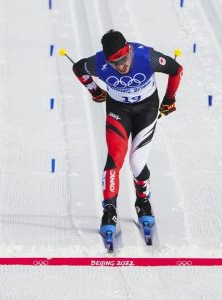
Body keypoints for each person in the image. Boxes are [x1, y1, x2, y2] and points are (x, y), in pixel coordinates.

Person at [72, 29, 183, 236]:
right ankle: (109, 209)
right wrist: (95, 91)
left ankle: (142, 201)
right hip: (118, 110)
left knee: (136, 163)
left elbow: (176, 69)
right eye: (115, 64)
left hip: (147, 109)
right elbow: (78, 69)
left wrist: (170, 99)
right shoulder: (98, 63)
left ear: (129, 51)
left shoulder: (145, 56)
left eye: (124, 59)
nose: (121, 66)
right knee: (115, 157)